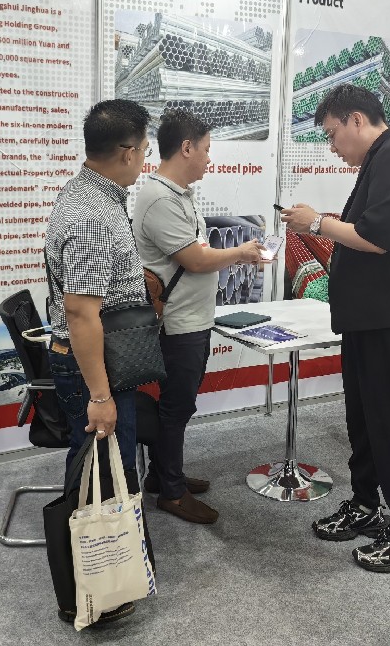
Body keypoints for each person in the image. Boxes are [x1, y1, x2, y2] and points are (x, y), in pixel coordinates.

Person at [281, 84, 390, 573]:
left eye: (332, 134)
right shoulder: (380, 161)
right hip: (370, 319)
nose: (332, 146)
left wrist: (317, 223)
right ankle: (365, 504)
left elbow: (375, 238)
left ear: (356, 120)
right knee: (362, 419)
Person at [43, 99, 152, 625]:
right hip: (94, 368)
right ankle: (88, 593)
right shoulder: (92, 216)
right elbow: (81, 314)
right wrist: (101, 396)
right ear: (127, 152)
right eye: (145, 151)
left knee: (100, 467)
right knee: (99, 472)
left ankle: (97, 581)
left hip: (101, 361)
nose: (145, 161)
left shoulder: (94, 195)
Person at [133, 109, 265, 524]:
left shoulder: (177, 194)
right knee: (176, 407)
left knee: (179, 405)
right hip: (178, 324)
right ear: (186, 148)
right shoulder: (159, 198)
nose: (210, 158)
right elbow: (195, 259)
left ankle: (163, 475)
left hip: (191, 318)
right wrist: (242, 252)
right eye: (206, 150)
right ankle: (171, 492)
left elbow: (196, 251)